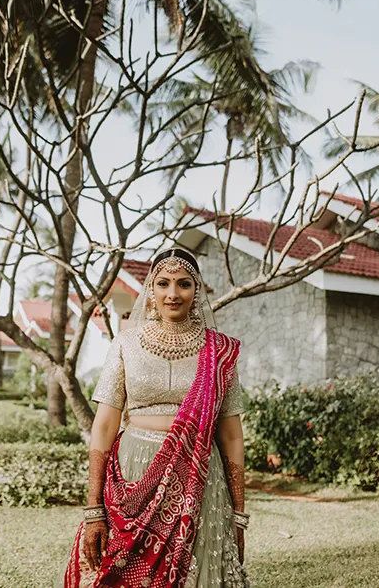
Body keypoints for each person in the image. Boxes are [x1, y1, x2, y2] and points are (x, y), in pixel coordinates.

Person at [57, 246, 251, 588]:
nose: (172, 294)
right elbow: (104, 425)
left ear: (197, 290)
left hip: (200, 479)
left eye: (184, 284)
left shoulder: (219, 352)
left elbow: (232, 435)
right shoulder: (126, 344)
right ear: (150, 289)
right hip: (133, 473)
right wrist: (93, 509)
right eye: (163, 283)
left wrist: (238, 514)